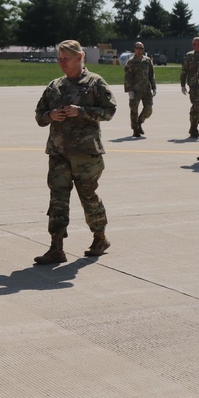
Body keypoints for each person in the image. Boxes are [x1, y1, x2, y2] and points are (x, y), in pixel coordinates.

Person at [33, 40, 117, 264]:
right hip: (58, 152)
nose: (61, 63)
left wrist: (82, 112)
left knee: (88, 196)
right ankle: (56, 247)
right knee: (57, 199)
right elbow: (39, 114)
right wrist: (50, 116)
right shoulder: (55, 86)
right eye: (59, 59)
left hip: (86, 153)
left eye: (65, 59)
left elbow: (109, 111)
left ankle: (100, 237)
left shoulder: (94, 83)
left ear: (80, 58)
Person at [123, 41, 156, 137]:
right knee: (134, 110)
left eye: (142, 48)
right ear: (134, 49)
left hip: (146, 89)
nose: (140, 50)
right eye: (138, 48)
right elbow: (127, 77)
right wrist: (129, 90)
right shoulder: (131, 62)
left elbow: (151, 75)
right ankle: (135, 129)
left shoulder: (147, 60)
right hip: (135, 90)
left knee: (148, 109)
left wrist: (154, 87)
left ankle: (139, 122)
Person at [180, 36, 199, 138]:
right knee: (196, 107)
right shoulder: (189, 56)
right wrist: (183, 85)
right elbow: (184, 71)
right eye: (193, 44)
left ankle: (194, 127)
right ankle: (193, 129)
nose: (193, 46)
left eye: (195, 44)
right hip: (194, 86)